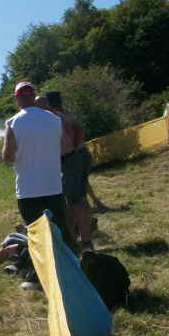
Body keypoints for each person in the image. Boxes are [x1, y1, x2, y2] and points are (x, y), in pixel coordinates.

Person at [0, 81, 77, 287]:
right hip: (53, 185)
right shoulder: (54, 119)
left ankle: (38, 277)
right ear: (34, 96)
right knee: (61, 231)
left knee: (36, 233)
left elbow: (8, 156)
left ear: (17, 99)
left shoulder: (13, 122)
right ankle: (73, 271)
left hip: (28, 189)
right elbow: (66, 147)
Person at [45, 90, 94, 251]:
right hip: (77, 156)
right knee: (76, 199)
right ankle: (77, 237)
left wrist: (74, 149)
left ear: (48, 103)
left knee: (75, 201)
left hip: (71, 158)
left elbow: (80, 130)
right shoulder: (65, 113)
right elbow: (80, 129)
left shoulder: (58, 117)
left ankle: (85, 241)